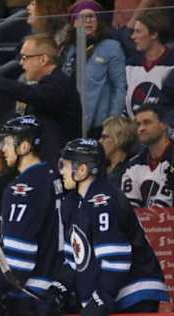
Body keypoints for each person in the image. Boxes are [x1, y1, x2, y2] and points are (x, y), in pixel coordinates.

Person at [48, 138, 169, 314]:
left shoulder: (103, 201)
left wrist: (101, 298)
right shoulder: (72, 203)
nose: (61, 171)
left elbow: (116, 260)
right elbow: (74, 259)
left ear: (82, 170)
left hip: (134, 292)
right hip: (115, 291)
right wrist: (57, 290)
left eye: (64, 165)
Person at [0, 33, 82, 167]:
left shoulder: (58, 83)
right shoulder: (47, 84)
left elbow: (29, 93)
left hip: (61, 166)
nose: (21, 63)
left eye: (25, 57)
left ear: (43, 59)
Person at [0, 115, 64, 315]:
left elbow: (19, 259)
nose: (2, 150)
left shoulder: (22, 188)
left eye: (7, 142)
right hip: (53, 289)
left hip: (27, 292)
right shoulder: (56, 178)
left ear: (24, 147)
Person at [61, 0, 126, 138]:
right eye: (82, 17)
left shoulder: (111, 47)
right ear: (74, 23)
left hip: (99, 123)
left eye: (91, 16)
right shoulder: (69, 49)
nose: (88, 21)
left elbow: (120, 86)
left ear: (99, 21)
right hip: (70, 119)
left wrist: (113, 120)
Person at [122, 103, 174, 208]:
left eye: (147, 123)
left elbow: (164, 206)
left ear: (163, 125)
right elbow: (130, 210)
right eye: (138, 124)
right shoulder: (133, 165)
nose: (141, 129)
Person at [125, 9, 174, 118]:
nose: (133, 36)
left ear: (154, 34)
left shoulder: (171, 63)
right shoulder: (131, 64)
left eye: (138, 31)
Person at [98, 116, 138, 188]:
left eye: (104, 137)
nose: (100, 141)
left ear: (119, 139)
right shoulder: (99, 168)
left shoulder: (133, 170)